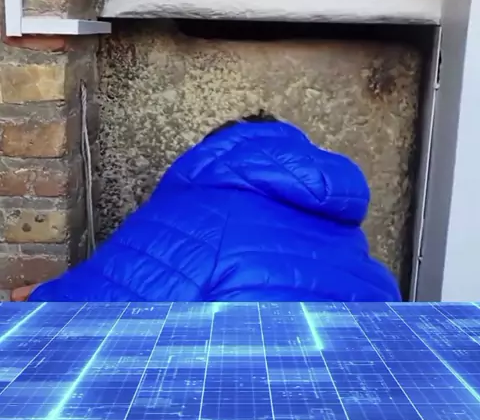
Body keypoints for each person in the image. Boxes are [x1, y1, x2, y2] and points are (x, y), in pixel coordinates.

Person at [13, 112, 401, 303]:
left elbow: (95, 306)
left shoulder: (198, 212)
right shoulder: (345, 237)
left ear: (210, 152)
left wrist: (34, 297)